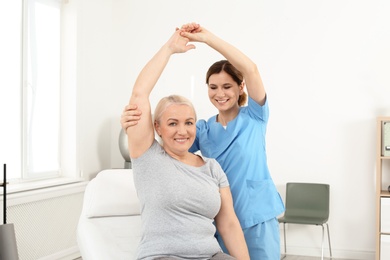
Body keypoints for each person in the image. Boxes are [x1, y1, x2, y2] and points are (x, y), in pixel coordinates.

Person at [121, 23, 285, 260]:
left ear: (241, 88)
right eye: (213, 87)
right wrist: (130, 121)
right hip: (216, 221)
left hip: (256, 216)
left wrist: (208, 39)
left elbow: (251, 69)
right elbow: (172, 136)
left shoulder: (255, 117)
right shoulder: (201, 129)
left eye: (228, 86)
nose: (220, 93)